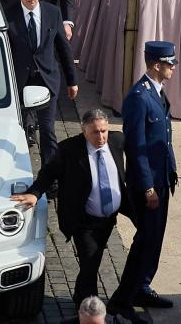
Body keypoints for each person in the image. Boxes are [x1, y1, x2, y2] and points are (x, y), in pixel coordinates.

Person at [12, 109, 127, 305]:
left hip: (109, 219)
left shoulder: (117, 141)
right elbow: (48, 173)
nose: (101, 137)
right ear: (84, 131)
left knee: (94, 260)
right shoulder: (68, 150)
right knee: (89, 263)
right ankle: (88, 308)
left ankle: (84, 298)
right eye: (95, 132)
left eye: (104, 131)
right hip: (83, 221)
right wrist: (35, 193)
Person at [110, 41, 178, 324]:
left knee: (155, 240)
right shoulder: (139, 97)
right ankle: (122, 300)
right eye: (169, 63)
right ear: (155, 65)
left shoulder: (157, 93)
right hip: (147, 183)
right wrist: (148, 187)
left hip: (162, 178)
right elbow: (136, 146)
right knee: (144, 241)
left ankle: (142, 285)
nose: (173, 67)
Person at [7, 0, 77, 165]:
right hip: (19, 81)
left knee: (47, 130)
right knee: (18, 129)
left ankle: (50, 175)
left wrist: (72, 81)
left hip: (47, 79)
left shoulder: (52, 12)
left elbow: (63, 48)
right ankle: (18, 170)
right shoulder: (8, 15)